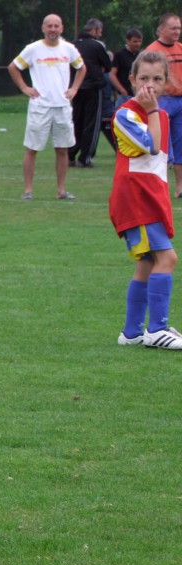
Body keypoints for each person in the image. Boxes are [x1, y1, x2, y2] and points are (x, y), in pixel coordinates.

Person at [110, 51, 182, 350]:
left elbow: (163, 160)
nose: (150, 86)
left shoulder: (163, 115)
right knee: (167, 259)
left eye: (157, 79)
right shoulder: (126, 114)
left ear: (168, 83)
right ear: (131, 80)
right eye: (143, 79)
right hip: (136, 199)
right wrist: (152, 111)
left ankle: (132, 332)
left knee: (147, 263)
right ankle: (156, 329)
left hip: (153, 197)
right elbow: (151, 148)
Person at [8, 13, 86, 200]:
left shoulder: (68, 48)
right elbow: (13, 67)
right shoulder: (33, 49)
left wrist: (74, 88)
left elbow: (82, 68)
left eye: (56, 26)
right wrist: (25, 88)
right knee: (32, 148)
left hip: (62, 106)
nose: (53, 29)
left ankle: (61, 191)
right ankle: (28, 191)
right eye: (49, 26)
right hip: (40, 106)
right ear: (43, 28)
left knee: (62, 149)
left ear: (62, 28)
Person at [145, 13, 182, 196]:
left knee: (180, 142)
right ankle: (160, 186)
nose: (177, 31)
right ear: (162, 29)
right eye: (173, 28)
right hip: (162, 101)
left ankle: (180, 186)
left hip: (180, 100)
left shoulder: (181, 48)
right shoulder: (153, 51)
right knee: (162, 145)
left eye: (179, 28)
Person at [69, 19, 112, 168]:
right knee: (92, 123)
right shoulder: (97, 45)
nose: (99, 35)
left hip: (76, 88)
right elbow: (108, 66)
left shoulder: (72, 45)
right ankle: (85, 158)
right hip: (93, 87)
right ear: (93, 30)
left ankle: (70, 155)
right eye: (99, 32)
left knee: (76, 121)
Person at [111, 28, 143, 107]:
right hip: (125, 96)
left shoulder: (142, 55)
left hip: (139, 95)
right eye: (135, 41)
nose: (137, 44)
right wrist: (121, 90)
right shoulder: (119, 55)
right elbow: (112, 75)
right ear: (128, 41)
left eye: (139, 41)